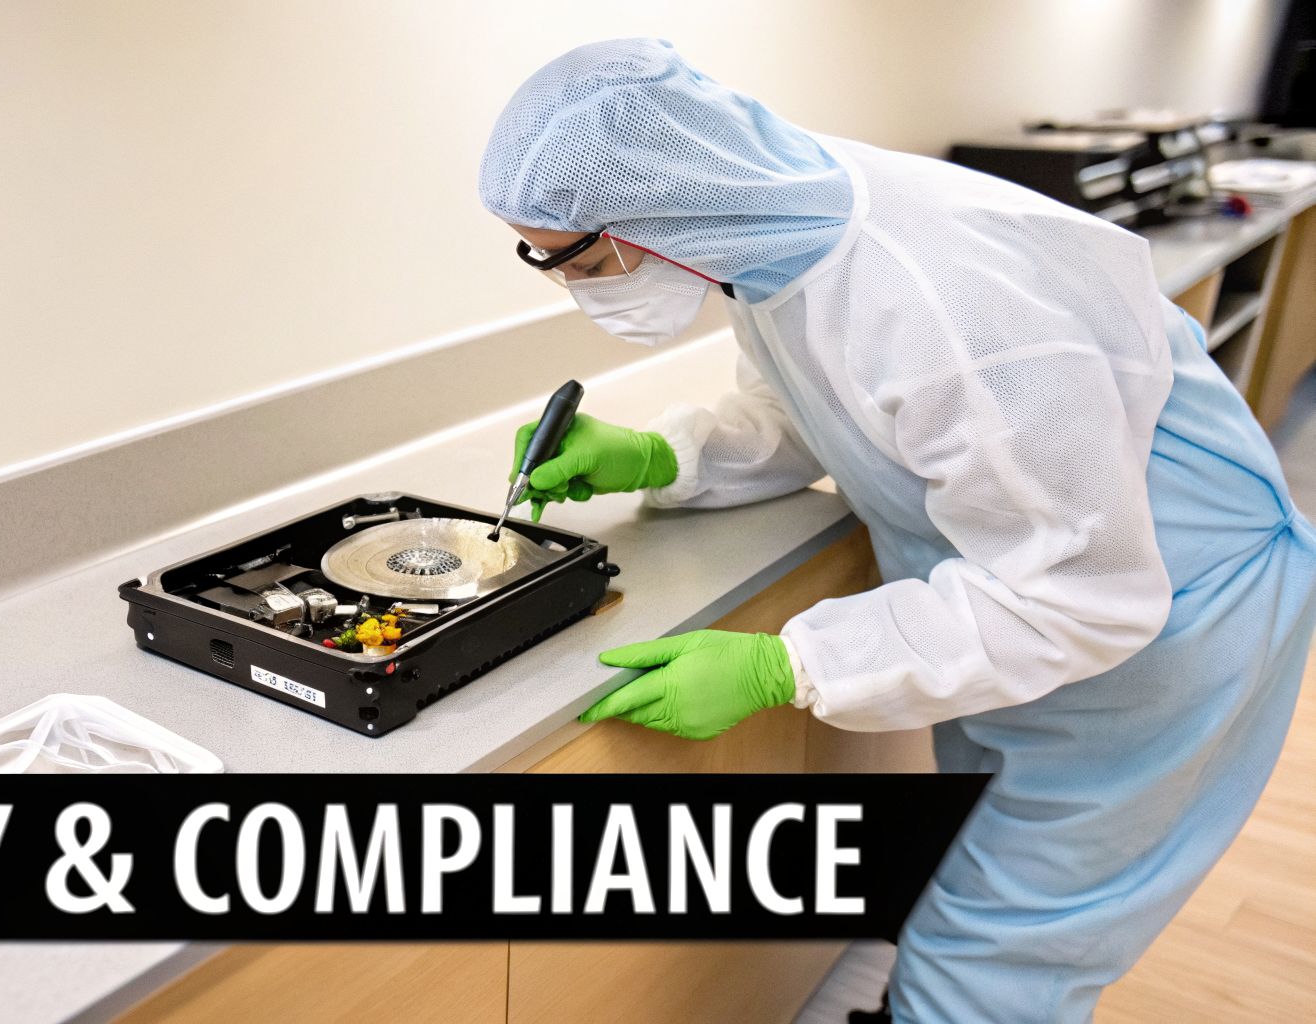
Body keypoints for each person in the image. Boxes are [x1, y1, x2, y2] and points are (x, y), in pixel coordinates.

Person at [478, 38, 1316, 1022]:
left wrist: (780, 667)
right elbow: (832, 403)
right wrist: (666, 455)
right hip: (1027, 589)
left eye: (566, 256)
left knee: (997, 954)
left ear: (647, 216)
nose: (568, 281)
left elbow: (1079, 596)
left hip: (1164, 620)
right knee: (964, 865)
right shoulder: (771, 228)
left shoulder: (946, 302)